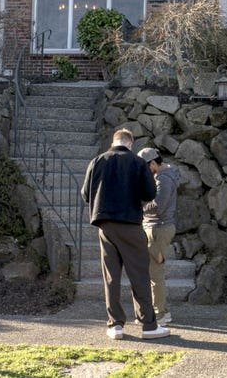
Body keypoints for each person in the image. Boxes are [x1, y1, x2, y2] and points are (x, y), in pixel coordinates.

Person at [81, 129, 170, 340]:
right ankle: (148, 325)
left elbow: (86, 194)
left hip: (105, 225)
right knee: (139, 274)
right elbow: (150, 193)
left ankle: (115, 325)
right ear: (130, 144)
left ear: (114, 142)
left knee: (111, 276)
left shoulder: (97, 161)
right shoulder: (138, 163)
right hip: (130, 224)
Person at [138, 147, 179, 326]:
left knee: (155, 274)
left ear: (153, 163)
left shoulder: (164, 180)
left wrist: (139, 205)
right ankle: (163, 312)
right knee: (154, 272)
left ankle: (160, 314)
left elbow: (157, 206)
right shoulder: (163, 177)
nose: (145, 172)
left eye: (146, 167)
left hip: (158, 229)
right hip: (157, 228)